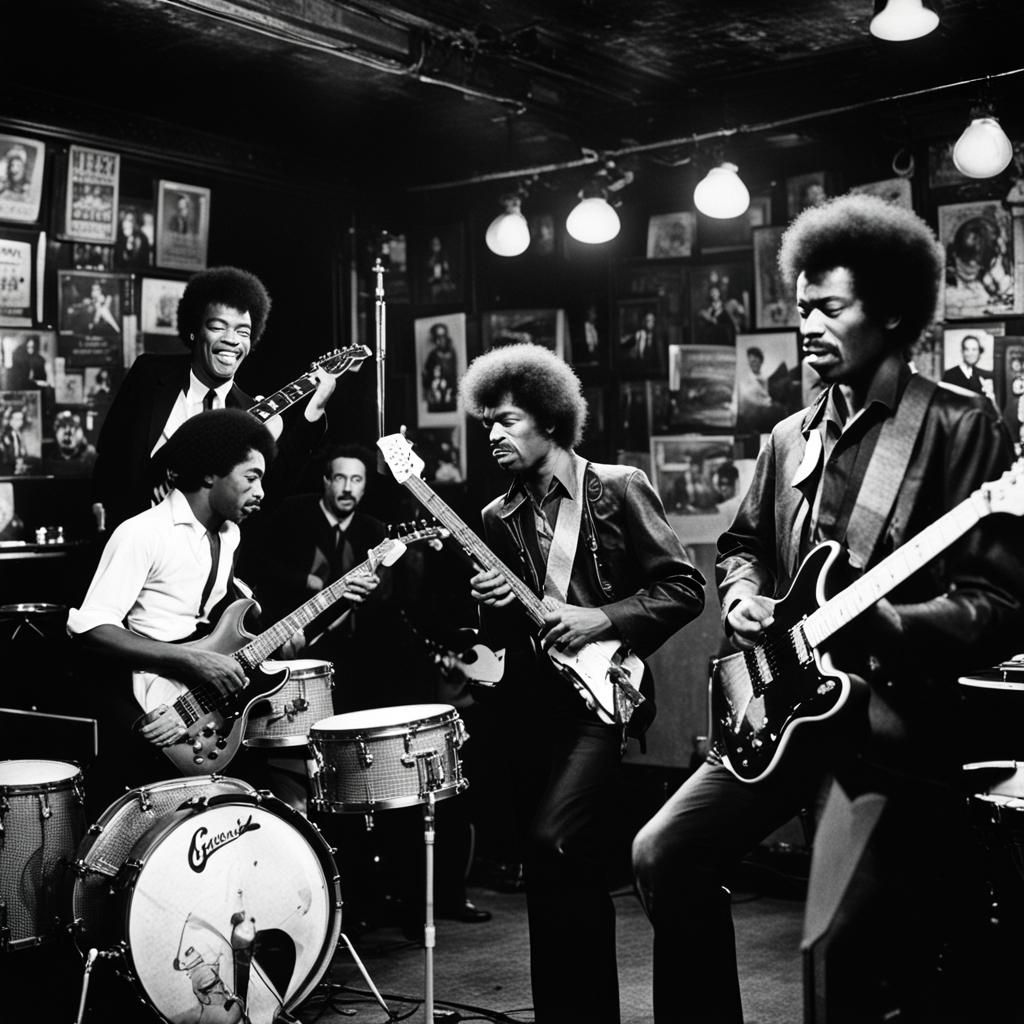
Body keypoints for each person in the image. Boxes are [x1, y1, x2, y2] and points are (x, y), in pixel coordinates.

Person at [632, 193, 1024, 1023]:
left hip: (889, 726)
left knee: (839, 955)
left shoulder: (956, 425)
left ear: (887, 312)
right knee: (664, 853)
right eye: (800, 305)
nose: (805, 322)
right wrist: (741, 596)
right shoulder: (787, 437)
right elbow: (741, 545)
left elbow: (1000, 605)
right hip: (782, 703)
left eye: (828, 307)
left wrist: (896, 625)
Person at [461, 342, 705, 1023]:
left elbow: (684, 589)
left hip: (605, 700)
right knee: (553, 869)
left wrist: (600, 617)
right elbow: (514, 629)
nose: (494, 436)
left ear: (549, 418)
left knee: (553, 840)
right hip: (533, 705)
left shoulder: (618, 486)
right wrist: (491, 601)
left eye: (507, 420)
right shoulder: (493, 517)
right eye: (487, 424)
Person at [90, 265, 336, 533]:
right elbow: (110, 451)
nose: (231, 340)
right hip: (132, 537)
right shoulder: (150, 375)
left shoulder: (250, 413)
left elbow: (272, 493)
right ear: (195, 331)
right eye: (218, 327)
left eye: (243, 332)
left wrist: (316, 408)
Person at [942, 333, 994, 400]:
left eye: (974, 349)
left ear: (979, 352)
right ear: (962, 352)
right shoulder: (949, 375)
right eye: (967, 349)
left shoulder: (985, 375)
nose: (971, 353)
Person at [422, 321, 457, 412]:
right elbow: (426, 374)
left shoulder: (452, 353)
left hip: (449, 394)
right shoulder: (432, 355)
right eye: (437, 338)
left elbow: (454, 373)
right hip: (436, 396)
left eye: (442, 337)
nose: (440, 340)